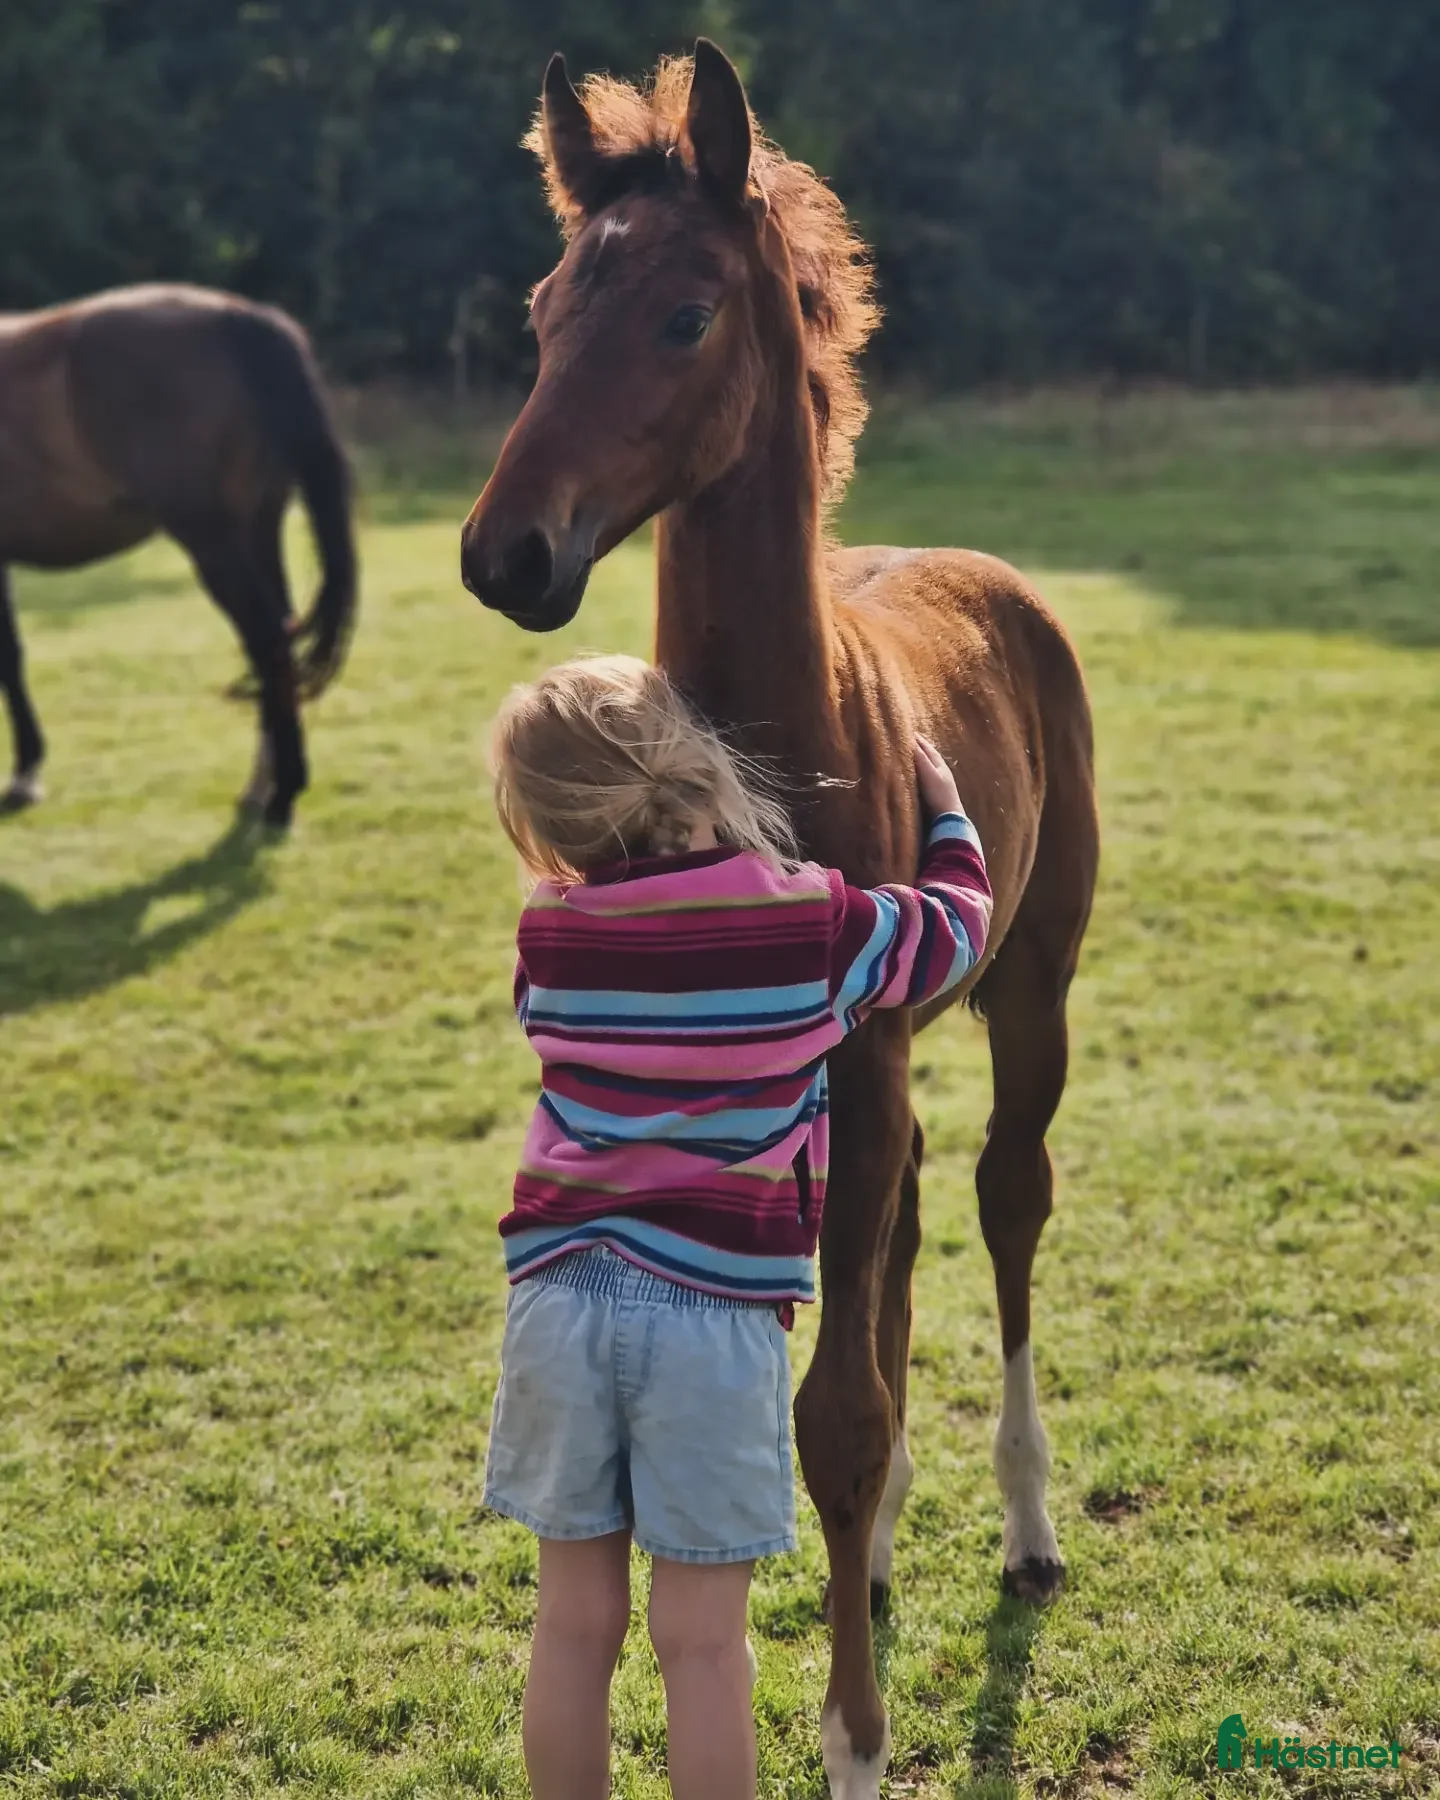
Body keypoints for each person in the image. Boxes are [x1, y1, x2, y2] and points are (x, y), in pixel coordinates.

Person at [482, 653, 992, 1800]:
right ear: (695, 761)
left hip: (557, 1301)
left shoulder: (549, 935)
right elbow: (954, 934)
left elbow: (541, 1015)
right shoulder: (805, 922)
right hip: (710, 1318)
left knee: (572, 1624)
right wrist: (949, 817)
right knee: (703, 1642)